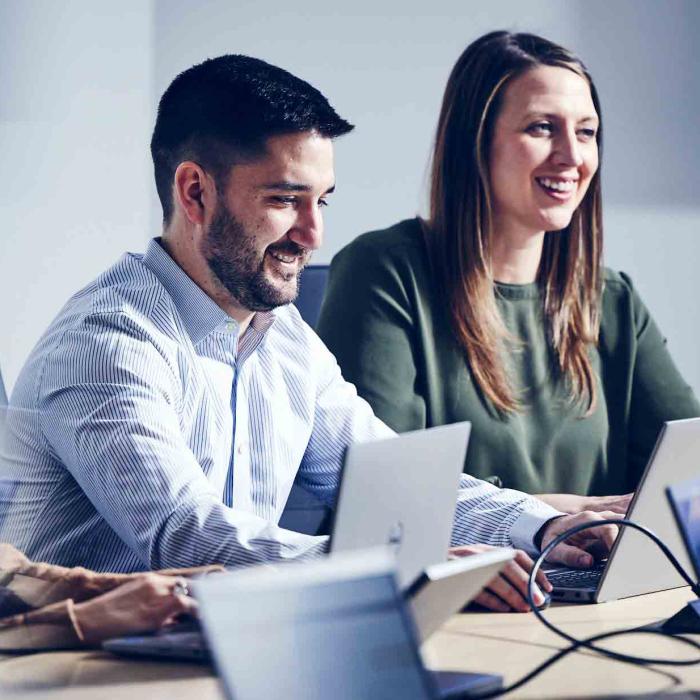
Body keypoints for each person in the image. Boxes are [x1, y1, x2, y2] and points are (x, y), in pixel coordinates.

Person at [0, 54, 616, 614]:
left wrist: (542, 527)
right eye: (285, 199)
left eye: (322, 200)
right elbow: (183, 536)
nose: (313, 234)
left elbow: (395, 483)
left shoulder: (281, 335)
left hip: (235, 648)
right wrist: (392, 570)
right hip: (88, 675)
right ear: (195, 192)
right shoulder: (105, 342)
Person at [317, 31, 700, 517]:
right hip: (454, 588)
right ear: (474, 143)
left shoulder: (611, 299)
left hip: (596, 588)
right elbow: (385, 503)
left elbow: (688, 474)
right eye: (542, 128)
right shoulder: (386, 272)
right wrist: (556, 520)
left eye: (586, 132)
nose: (572, 156)